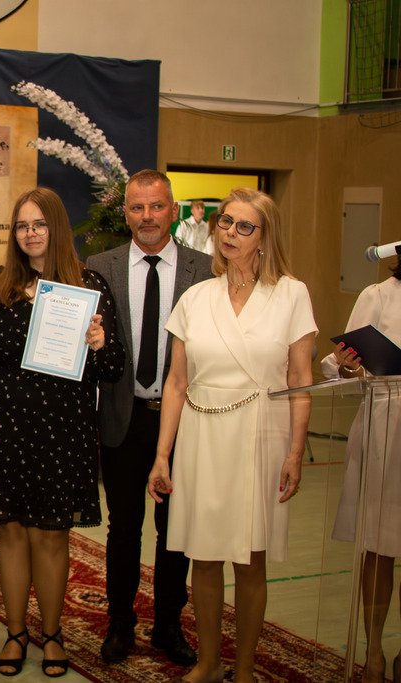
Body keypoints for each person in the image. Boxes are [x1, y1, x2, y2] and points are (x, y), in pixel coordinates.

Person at [147, 188, 317, 683]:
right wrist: (162, 455)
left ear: (265, 237)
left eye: (245, 226)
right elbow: (176, 383)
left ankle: (244, 668)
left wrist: (296, 451)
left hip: (261, 432)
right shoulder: (196, 297)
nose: (230, 233)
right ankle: (208, 662)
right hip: (202, 434)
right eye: (225, 222)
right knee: (202, 556)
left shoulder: (291, 294)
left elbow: (300, 380)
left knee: (249, 559)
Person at [0, 187, 124, 677]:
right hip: (6, 427)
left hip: (63, 430)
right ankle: (16, 633)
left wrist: (99, 342)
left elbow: (113, 367)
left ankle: (52, 634)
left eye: (39, 224)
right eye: (22, 226)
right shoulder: (0, 286)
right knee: (10, 533)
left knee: (52, 537)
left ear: (56, 228)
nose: (30, 234)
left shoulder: (88, 286)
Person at [85, 169, 210, 667]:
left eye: (157, 206)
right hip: (123, 417)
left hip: (182, 421)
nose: (148, 217)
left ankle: (167, 625)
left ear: (173, 210)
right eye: (137, 208)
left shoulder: (205, 270)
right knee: (123, 529)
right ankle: (120, 624)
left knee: (174, 531)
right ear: (126, 213)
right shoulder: (102, 266)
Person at [321, 264, 401, 683]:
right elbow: (344, 365)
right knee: (379, 545)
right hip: (386, 427)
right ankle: (373, 653)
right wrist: (349, 367)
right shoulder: (379, 295)